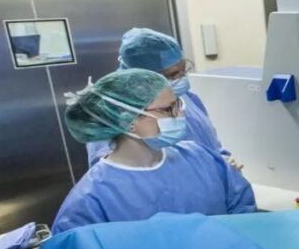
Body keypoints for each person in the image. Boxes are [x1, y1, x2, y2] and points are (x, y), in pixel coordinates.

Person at [53, 69, 256, 234]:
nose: (180, 113)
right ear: (127, 121)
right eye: (167, 109)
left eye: (177, 104)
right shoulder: (91, 200)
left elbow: (245, 217)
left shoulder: (202, 158)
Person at [86, 27, 225, 167]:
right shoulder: (110, 117)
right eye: (173, 75)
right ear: (143, 77)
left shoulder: (188, 98)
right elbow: (113, 170)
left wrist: (224, 163)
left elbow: (211, 143)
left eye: (184, 70)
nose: (182, 79)